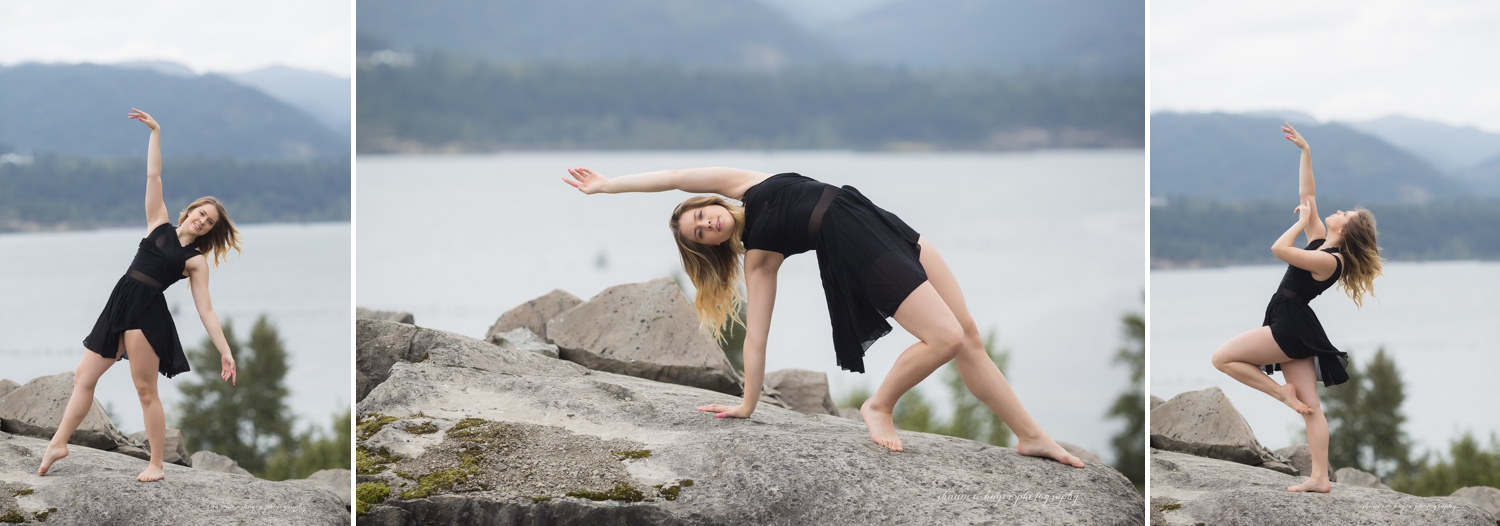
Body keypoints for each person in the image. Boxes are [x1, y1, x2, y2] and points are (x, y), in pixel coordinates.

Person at [562, 167, 1084, 466]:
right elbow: (756, 337)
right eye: (700, 234)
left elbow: (675, 177)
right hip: (857, 248)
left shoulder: (747, 183)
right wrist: (747, 403)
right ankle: (879, 405)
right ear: (710, 246)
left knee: (967, 334)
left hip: (875, 219)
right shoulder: (759, 256)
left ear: (709, 203)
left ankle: (1030, 435)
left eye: (702, 215)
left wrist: (608, 185)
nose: (708, 225)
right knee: (944, 337)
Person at [37, 108, 241, 482]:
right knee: (83, 377)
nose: (202, 220)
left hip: (148, 314)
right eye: (201, 213)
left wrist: (225, 350)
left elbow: (206, 311)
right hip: (120, 302)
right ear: (190, 210)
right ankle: (58, 443)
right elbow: (153, 176)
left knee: (145, 391)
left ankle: (157, 464)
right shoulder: (158, 222)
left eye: (209, 221)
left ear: (210, 230)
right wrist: (155, 133)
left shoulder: (195, 261)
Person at [1209, 123, 1383, 493]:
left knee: (1222, 358)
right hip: (1297, 324)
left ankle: (1280, 393)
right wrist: (1306, 151)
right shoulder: (1321, 241)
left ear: (1346, 231)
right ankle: (1320, 478)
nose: (1339, 211)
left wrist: (1300, 222)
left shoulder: (1330, 260)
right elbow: (1308, 193)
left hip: (1289, 324)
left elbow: (1279, 250)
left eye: (1346, 215)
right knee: (1312, 407)